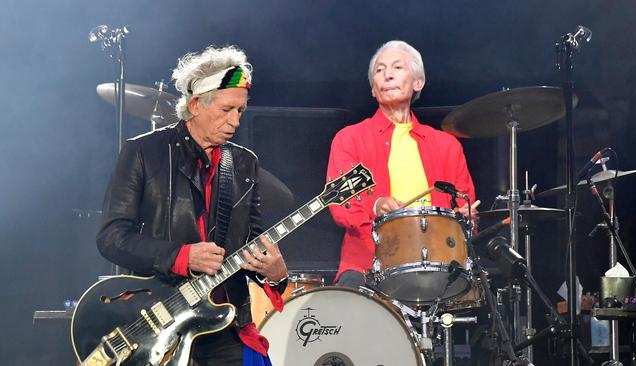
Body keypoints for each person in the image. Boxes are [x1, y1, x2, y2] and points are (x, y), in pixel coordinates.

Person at [97, 45, 289, 366]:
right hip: (160, 317)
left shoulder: (244, 164)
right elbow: (112, 237)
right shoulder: (143, 152)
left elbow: (251, 245)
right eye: (227, 110)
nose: (235, 121)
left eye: (240, 111)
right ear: (196, 104)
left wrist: (274, 274)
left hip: (223, 320)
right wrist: (180, 256)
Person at [326, 40, 478, 288]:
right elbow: (341, 206)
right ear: (373, 90)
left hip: (438, 266)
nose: (387, 74)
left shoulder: (447, 146)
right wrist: (376, 204)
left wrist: (467, 218)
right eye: (379, 70)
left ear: (418, 82)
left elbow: (463, 207)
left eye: (397, 67)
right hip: (368, 266)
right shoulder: (350, 139)